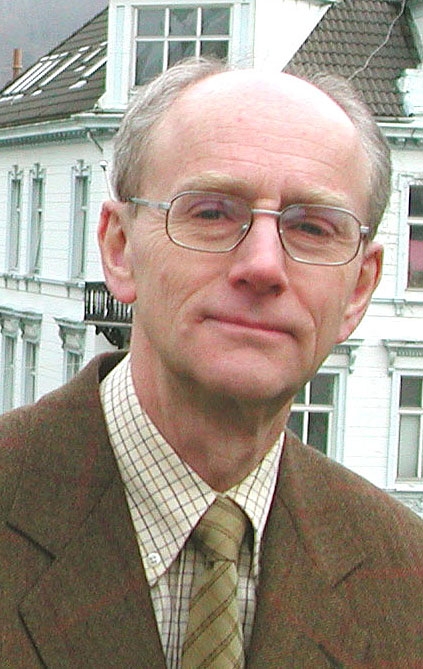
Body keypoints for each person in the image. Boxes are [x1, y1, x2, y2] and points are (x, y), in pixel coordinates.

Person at [1, 58, 423, 669]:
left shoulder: (405, 579)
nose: (263, 266)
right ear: (120, 248)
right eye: (212, 213)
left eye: (312, 227)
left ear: (359, 288)